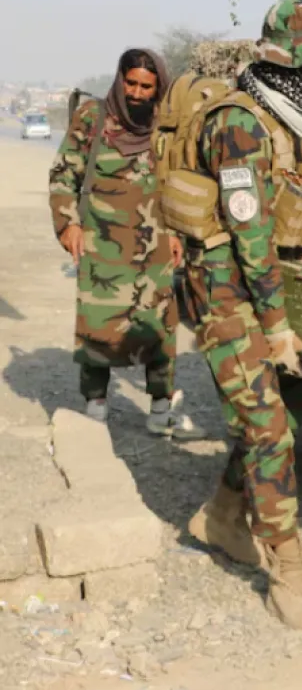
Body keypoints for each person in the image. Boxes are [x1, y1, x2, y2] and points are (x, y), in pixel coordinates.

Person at [177, 0, 302, 630]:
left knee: (291, 406)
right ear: (286, 66)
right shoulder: (240, 125)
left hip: (277, 277)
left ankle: (223, 513)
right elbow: (249, 234)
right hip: (225, 286)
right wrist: (275, 329)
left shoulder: (301, 116)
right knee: (268, 427)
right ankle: (289, 572)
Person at [48, 49, 202, 439]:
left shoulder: (167, 127)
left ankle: (160, 407)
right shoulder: (92, 117)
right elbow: (64, 174)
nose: (136, 93)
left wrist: (178, 233)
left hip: (156, 243)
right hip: (102, 239)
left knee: (161, 324)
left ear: (158, 87)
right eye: (130, 83)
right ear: (119, 79)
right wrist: (69, 225)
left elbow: (182, 184)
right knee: (98, 320)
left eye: (145, 86)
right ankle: (95, 403)